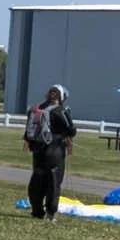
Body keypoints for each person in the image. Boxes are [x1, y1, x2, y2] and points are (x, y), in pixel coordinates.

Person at [23, 84, 76, 220]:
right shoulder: (60, 110)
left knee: (37, 181)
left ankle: (36, 211)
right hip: (55, 151)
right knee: (53, 182)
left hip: (38, 150)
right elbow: (72, 130)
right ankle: (51, 213)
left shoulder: (37, 109)